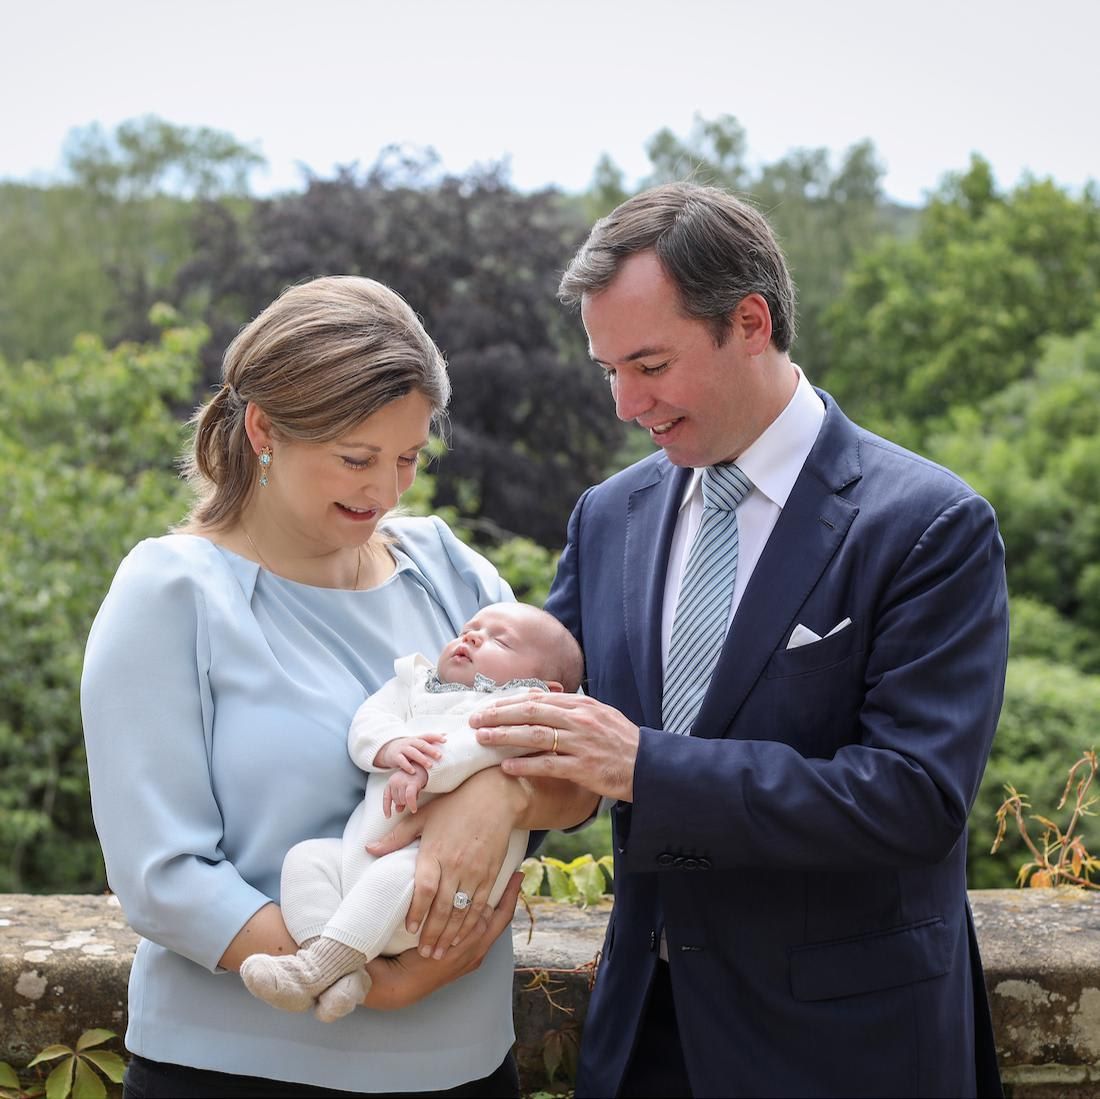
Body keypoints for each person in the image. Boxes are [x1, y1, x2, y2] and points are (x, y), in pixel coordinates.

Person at [468, 183, 1010, 1098]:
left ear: (750, 321)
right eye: (609, 369)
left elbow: (916, 800)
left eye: (649, 364)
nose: (624, 403)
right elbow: (557, 737)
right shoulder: (609, 516)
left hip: (848, 1051)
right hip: (641, 1040)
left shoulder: (927, 523)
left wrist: (648, 765)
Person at [81, 275, 592, 1099]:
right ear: (263, 430)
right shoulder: (171, 593)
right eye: (357, 458)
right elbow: (161, 872)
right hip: (235, 1068)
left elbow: (576, 774)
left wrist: (499, 801)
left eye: (408, 457)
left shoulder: (449, 570)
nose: (386, 490)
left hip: (463, 1067)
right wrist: (373, 977)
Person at [239, 602, 583, 1023]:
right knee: (306, 859)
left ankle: (312, 972)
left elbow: (483, 747)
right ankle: (337, 969)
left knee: (396, 875)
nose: (472, 636)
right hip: (361, 855)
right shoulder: (417, 682)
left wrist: (427, 769)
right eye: (470, 628)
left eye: (500, 640)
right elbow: (370, 719)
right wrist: (388, 746)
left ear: (543, 688)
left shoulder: (523, 711)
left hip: (435, 885)